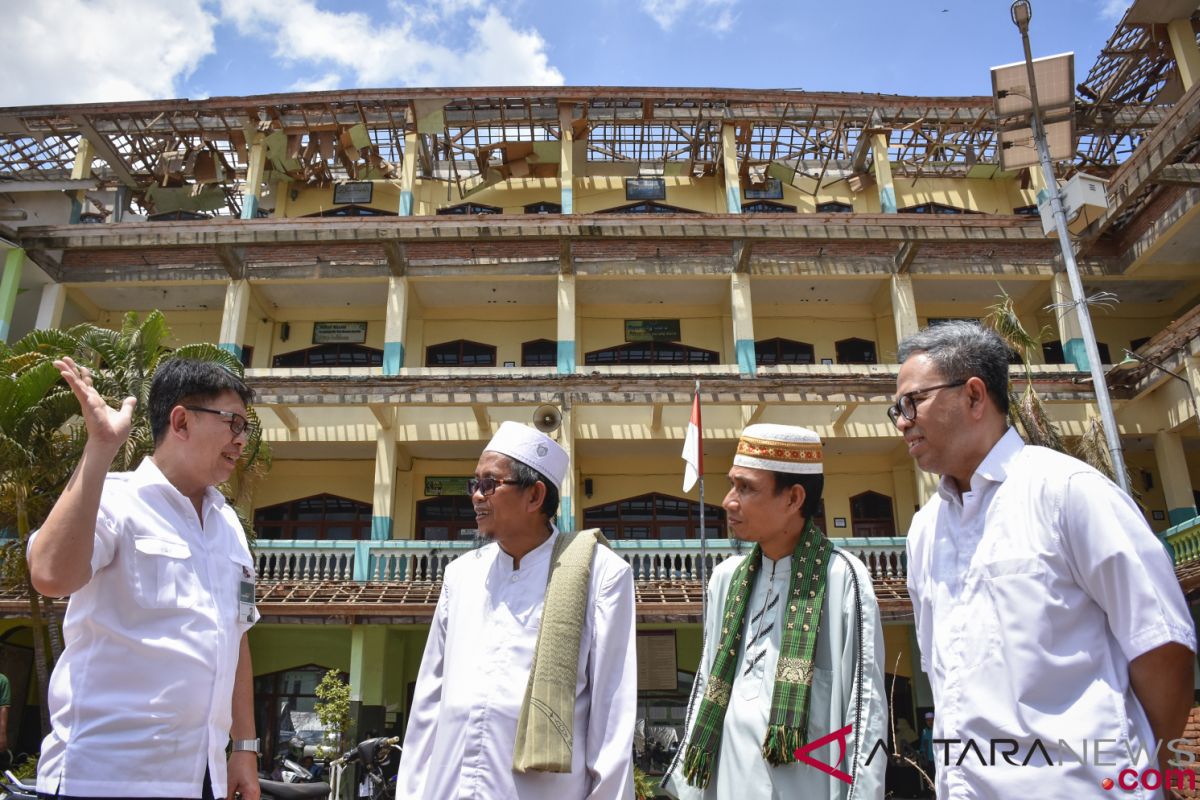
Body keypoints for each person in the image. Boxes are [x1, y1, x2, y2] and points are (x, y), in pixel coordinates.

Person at [894, 321, 1197, 798]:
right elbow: (945, 676)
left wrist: (1162, 774)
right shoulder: (926, 531)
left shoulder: (1067, 492)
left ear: (974, 396)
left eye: (913, 402)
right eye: (896, 408)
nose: (901, 421)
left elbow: (1160, 645)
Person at [28, 357, 261, 800]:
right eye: (233, 423)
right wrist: (100, 448)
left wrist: (245, 749)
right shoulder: (115, 499)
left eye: (245, 427)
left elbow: (238, 635)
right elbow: (50, 576)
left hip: (199, 778)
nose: (241, 440)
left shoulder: (228, 524)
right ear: (181, 421)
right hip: (102, 776)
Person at [398, 421, 637, 799]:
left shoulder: (601, 575)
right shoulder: (461, 576)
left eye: (489, 484)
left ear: (534, 496)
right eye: (473, 484)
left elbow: (612, 714)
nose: (476, 496)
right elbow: (429, 700)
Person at [662, 424, 886, 800]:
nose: (729, 501)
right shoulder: (725, 580)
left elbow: (865, 707)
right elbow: (705, 686)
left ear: (794, 498)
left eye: (746, 488)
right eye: (732, 485)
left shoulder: (841, 578)